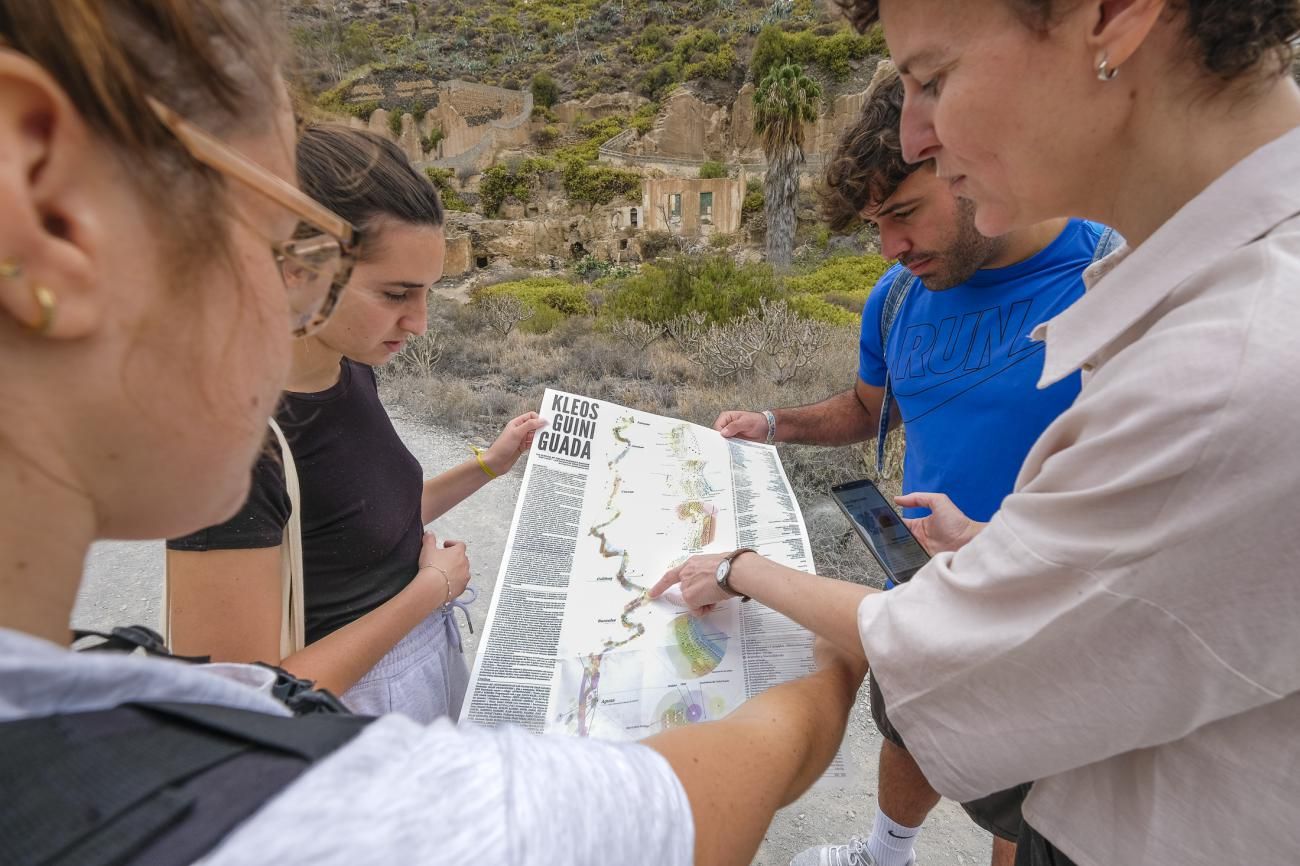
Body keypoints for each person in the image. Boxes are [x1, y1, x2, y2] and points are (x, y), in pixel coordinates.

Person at [0, 4, 866, 865]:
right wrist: (845, 652)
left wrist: (485, 467)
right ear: (43, 201)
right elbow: (700, 804)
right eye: (279, 252)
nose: (298, 308)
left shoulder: (95, 720)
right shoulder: (251, 800)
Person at [655, 1, 1300, 864]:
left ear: (1110, 16)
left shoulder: (1233, 367)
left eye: (933, 77)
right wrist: (1001, 543)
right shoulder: (1203, 297)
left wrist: (743, 570)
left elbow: (940, 656)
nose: (919, 131)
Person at [716, 63, 1116, 866]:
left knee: (1030, 806)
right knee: (907, 727)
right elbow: (871, 410)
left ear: (978, 165)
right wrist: (775, 424)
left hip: (1052, 624)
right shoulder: (898, 295)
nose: (892, 248)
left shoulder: (1111, 277)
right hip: (920, 595)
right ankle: (886, 853)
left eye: (904, 213)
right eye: (876, 225)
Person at [165, 124, 543, 723]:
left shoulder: (348, 366)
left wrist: (487, 466)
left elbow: (362, 527)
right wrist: (429, 593)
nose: (418, 322)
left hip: (411, 697)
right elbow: (239, 707)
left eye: (427, 294)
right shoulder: (233, 444)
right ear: (297, 269)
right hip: (349, 726)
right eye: (396, 294)